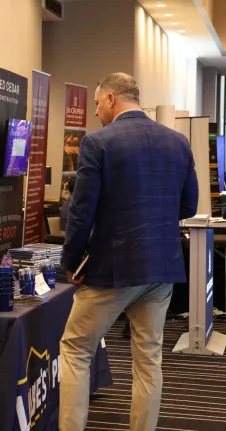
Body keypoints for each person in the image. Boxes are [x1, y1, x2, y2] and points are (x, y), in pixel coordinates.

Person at [59, 73, 198, 431]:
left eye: (96, 105)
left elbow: (80, 211)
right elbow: (189, 204)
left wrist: (71, 262)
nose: (95, 113)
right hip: (162, 267)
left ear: (110, 99)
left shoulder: (98, 142)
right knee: (149, 357)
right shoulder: (178, 142)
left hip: (113, 269)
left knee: (75, 349)